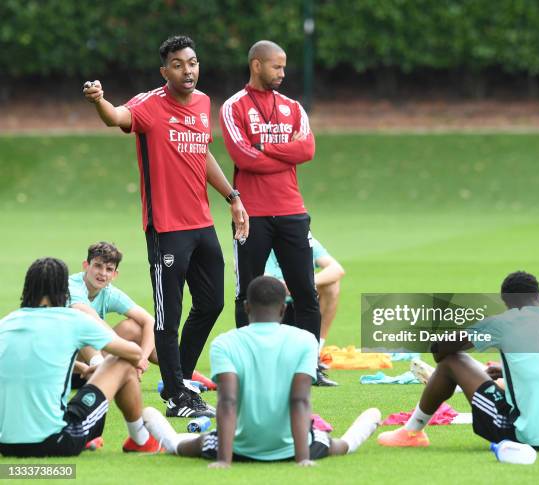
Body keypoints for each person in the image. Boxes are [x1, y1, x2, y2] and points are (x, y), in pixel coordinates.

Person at [83, 35, 249, 418]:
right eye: (178, 64)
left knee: (211, 303)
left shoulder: (204, 102)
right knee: (167, 316)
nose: (187, 69)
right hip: (167, 229)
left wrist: (233, 197)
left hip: (202, 225)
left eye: (192, 62)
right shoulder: (149, 105)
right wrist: (98, 101)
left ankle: (179, 380)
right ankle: (177, 395)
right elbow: (117, 117)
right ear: (165, 71)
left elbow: (202, 152)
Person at [143, 276, 381, 467]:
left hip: (238, 447)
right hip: (292, 447)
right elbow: (299, 401)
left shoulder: (224, 343)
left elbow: (227, 401)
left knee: (181, 447)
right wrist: (303, 458)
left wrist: (224, 461)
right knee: (341, 445)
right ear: (282, 310)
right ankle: (372, 418)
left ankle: (156, 424)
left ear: (247, 308)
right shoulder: (305, 340)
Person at [378, 271, 539, 450]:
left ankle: (412, 432)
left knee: (451, 361)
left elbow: (439, 350)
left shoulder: (504, 322)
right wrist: (507, 371)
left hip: (526, 437)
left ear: (506, 303)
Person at [219, 41, 324, 378]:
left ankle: (306, 370)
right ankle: (246, 368)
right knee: (246, 292)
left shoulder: (293, 107)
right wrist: (278, 153)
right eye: (276, 66)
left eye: (284, 66)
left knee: (306, 293)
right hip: (252, 215)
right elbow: (242, 157)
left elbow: (307, 149)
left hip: (292, 211)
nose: (283, 73)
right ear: (256, 65)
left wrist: (263, 146)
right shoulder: (233, 107)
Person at [0, 257, 162, 456]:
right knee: (122, 362)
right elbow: (135, 353)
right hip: (55, 441)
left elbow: (28, 362)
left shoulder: (6, 323)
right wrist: (92, 320)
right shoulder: (73, 319)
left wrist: (82, 367)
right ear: (63, 289)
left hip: (6, 445)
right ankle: (141, 440)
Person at [68, 241, 157, 387]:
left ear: (114, 274)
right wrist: (129, 351)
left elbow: (149, 321)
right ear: (86, 265)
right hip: (65, 368)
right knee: (84, 324)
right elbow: (89, 317)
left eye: (109, 269)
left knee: (133, 328)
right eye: (98, 266)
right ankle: (101, 372)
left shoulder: (108, 292)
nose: (103, 273)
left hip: (89, 366)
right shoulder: (71, 286)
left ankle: (181, 373)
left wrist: (142, 359)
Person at [265, 235, 345, 386]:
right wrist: (278, 285)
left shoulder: (302, 237)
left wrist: (303, 284)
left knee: (332, 285)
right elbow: (244, 273)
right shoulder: (260, 240)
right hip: (273, 309)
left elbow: (337, 269)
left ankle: (315, 354)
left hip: (303, 308)